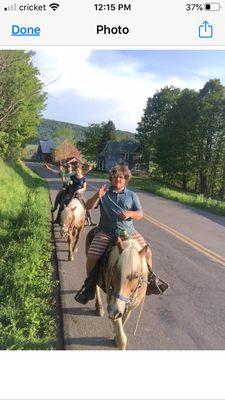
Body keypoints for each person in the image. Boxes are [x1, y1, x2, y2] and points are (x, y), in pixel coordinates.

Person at [76, 164, 169, 303]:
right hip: (105, 232)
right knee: (92, 256)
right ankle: (90, 287)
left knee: (148, 253)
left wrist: (130, 213)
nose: (118, 179)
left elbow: (140, 214)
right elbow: (87, 206)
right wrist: (97, 195)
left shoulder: (132, 195)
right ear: (111, 178)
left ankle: (149, 281)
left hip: (129, 232)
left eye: (121, 177)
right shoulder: (104, 193)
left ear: (126, 179)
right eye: (115, 176)